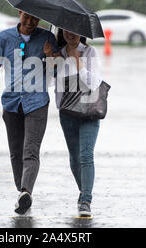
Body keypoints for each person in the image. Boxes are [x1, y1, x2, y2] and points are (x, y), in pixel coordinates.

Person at [0, 10, 58, 215]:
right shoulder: (4, 38)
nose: (30, 22)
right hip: (12, 103)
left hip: (37, 103)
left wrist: (50, 56)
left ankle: (26, 191)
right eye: (27, 17)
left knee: (30, 150)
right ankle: (21, 193)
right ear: (19, 13)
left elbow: (56, 73)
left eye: (35, 18)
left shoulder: (47, 37)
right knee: (16, 152)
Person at [48, 28, 102, 217]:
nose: (70, 34)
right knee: (74, 157)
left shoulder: (90, 52)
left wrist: (76, 60)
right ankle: (83, 191)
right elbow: (48, 84)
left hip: (89, 112)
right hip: (67, 113)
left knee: (86, 154)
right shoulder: (58, 54)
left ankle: (86, 200)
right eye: (65, 31)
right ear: (61, 32)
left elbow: (93, 83)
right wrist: (48, 60)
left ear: (81, 32)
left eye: (74, 30)